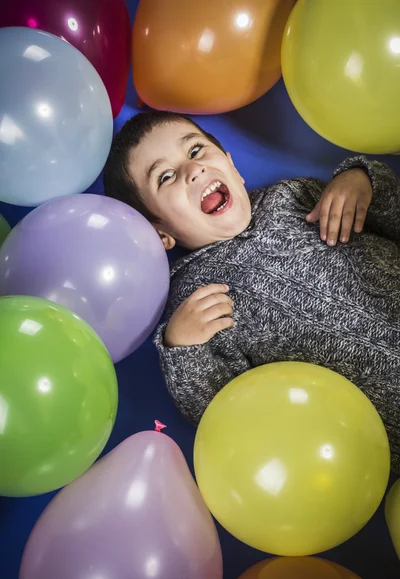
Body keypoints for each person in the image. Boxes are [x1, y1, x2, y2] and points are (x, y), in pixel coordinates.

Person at [104, 110, 400, 472]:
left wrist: (362, 181)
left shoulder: (294, 194)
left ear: (233, 167)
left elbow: (393, 216)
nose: (192, 170)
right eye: (165, 177)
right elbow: (223, 413)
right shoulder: (194, 295)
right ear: (160, 233)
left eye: (196, 151)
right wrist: (183, 348)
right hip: (381, 423)